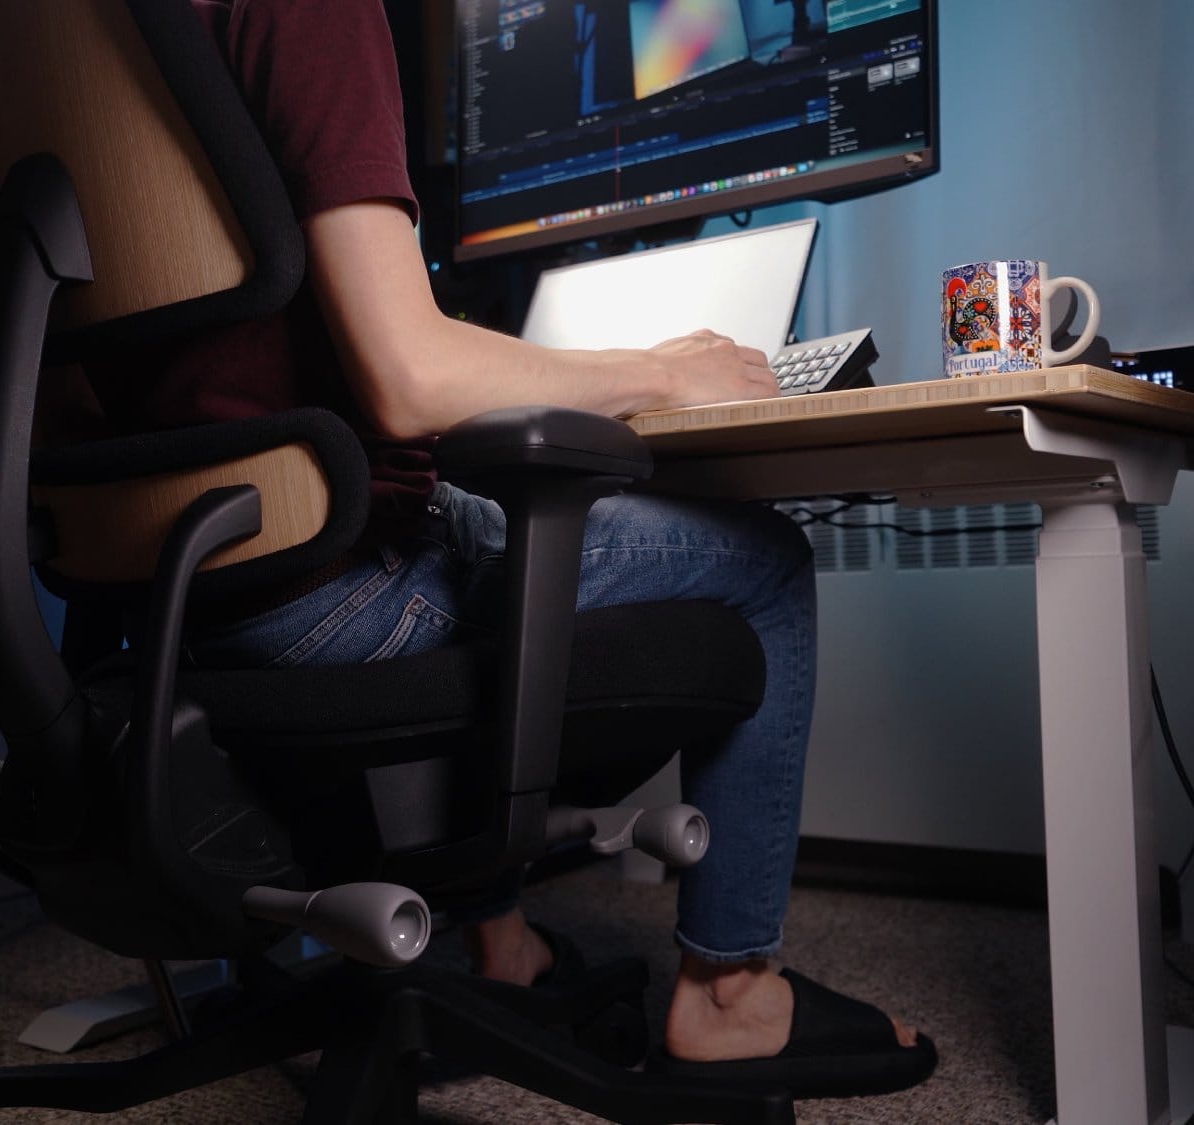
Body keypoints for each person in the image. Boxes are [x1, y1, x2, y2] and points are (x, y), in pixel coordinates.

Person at [72, 0, 935, 1097]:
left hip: (177, 585)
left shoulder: (62, 29)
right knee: (757, 559)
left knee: (476, 520)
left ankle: (498, 938)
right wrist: (664, 372)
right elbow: (409, 380)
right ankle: (728, 994)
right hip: (333, 583)